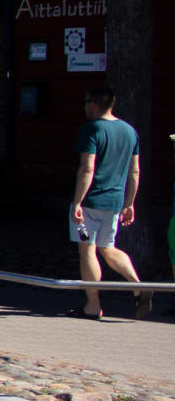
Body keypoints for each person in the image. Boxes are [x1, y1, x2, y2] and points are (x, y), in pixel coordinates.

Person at [68, 84, 146, 320]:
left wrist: (77, 202)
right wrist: (130, 203)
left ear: (93, 104)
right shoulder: (130, 131)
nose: (84, 108)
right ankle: (137, 286)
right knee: (108, 248)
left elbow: (87, 167)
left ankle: (92, 306)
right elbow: (135, 171)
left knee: (87, 249)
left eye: (85, 103)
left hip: (90, 204)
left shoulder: (91, 129)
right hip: (114, 204)